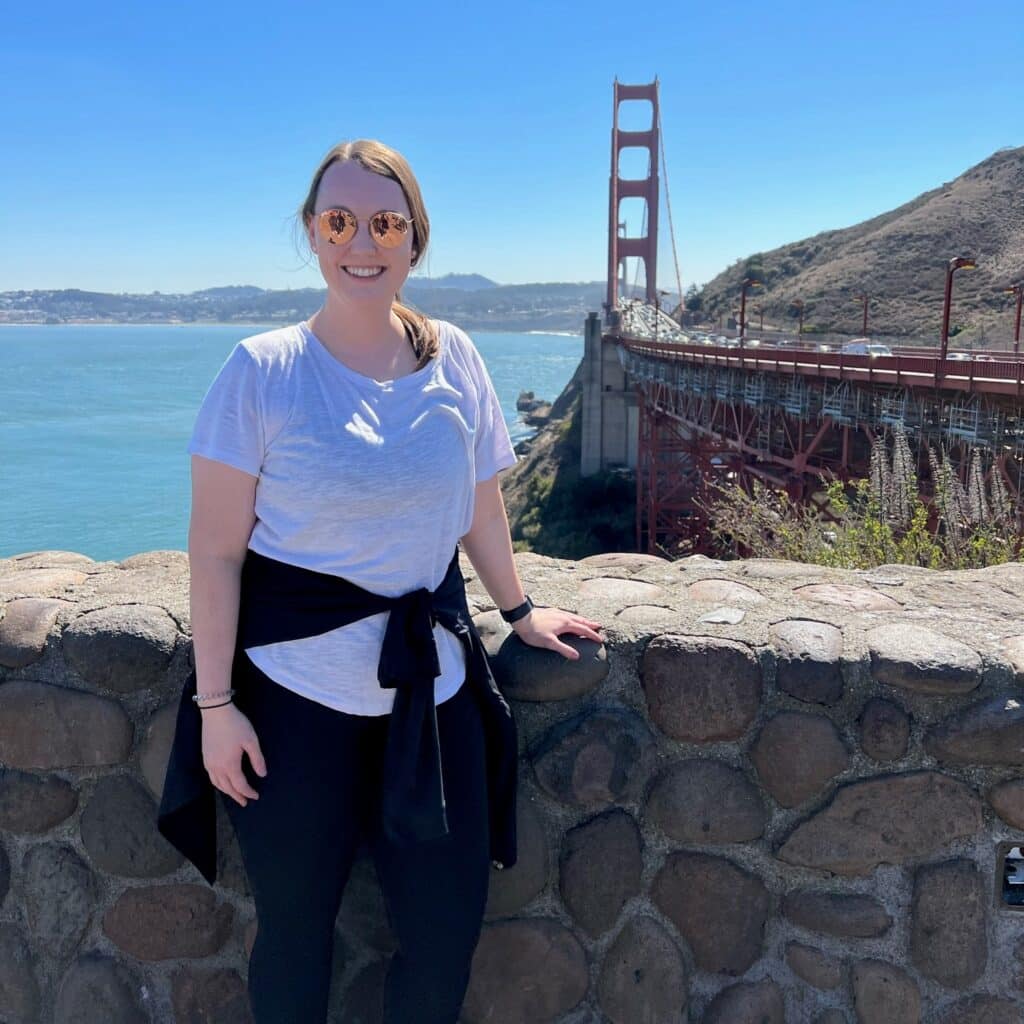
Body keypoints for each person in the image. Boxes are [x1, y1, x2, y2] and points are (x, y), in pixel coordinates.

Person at [174, 139, 605, 1024]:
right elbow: (215, 551)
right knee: (295, 936)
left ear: (415, 239)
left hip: (433, 698)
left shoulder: (458, 360)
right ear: (312, 233)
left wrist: (518, 610)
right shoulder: (262, 372)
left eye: (384, 221)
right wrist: (216, 710)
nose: (360, 241)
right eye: (339, 221)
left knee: (443, 943)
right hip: (293, 708)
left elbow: (482, 502)